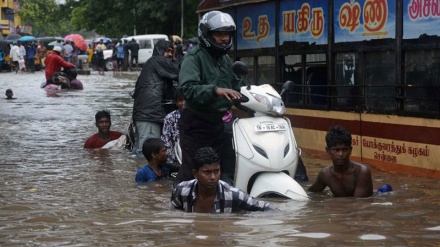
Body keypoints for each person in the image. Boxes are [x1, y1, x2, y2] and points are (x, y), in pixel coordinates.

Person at [176, 11, 243, 184]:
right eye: (219, 34)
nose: (224, 39)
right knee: (193, 171)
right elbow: (187, 88)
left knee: (216, 170)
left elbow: (236, 85)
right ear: (206, 34)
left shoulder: (225, 59)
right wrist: (215, 90)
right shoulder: (194, 58)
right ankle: (182, 204)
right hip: (196, 123)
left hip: (217, 123)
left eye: (227, 34)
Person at [170, 147, 274, 213]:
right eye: (207, 172)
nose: (213, 177)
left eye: (216, 171)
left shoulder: (234, 195)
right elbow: (172, 214)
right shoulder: (181, 190)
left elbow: (269, 208)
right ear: (195, 173)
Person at [131, 40, 178, 157]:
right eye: (168, 51)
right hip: (149, 115)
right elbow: (180, 73)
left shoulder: (152, 64)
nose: (170, 54)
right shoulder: (157, 61)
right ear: (160, 51)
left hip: (146, 114)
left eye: (172, 52)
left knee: (141, 152)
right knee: (149, 155)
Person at [308, 125, 373, 197]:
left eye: (345, 150)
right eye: (336, 150)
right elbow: (310, 194)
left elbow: (358, 204)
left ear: (350, 150)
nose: (341, 154)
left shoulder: (361, 172)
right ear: (328, 151)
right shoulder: (325, 174)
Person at [161, 89, 185, 164]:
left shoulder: (198, 117)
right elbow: (166, 140)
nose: (184, 103)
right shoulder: (170, 118)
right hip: (176, 158)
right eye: (180, 100)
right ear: (176, 102)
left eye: (187, 100)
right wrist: (170, 162)